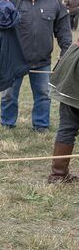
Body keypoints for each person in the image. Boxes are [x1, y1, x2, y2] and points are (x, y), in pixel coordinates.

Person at [2, 0, 73, 132]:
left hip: (42, 60)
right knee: (9, 94)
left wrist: (66, 51)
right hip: (15, 59)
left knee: (43, 95)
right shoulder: (12, 0)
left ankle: (41, 125)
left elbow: (63, 29)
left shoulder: (53, 1)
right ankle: (7, 123)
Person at [47, 40, 79, 183]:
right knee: (67, 127)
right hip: (74, 71)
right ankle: (58, 174)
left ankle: (58, 175)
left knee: (67, 127)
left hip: (73, 66)